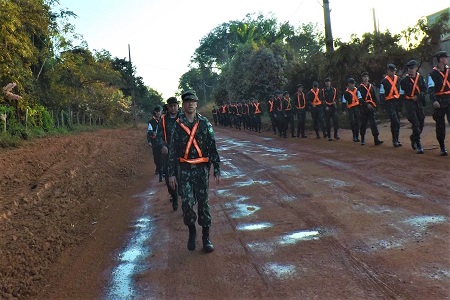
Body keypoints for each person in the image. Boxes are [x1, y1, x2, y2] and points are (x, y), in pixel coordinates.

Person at [168, 91, 221, 253]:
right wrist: (171, 173)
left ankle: (206, 237)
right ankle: (192, 230)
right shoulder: (177, 125)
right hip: (184, 170)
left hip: (201, 170)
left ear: (196, 104)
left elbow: (212, 146)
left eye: (193, 101)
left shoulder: (205, 123)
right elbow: (172, 151)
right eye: (187, 101)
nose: (190, 104)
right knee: (187, 204)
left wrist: (216, 167)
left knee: (203, 204)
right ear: (183, 105)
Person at [156, 97, 180, 211]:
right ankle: (174, 196)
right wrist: (162, 145)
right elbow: (158, 136)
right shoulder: (163, 120)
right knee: (168, 178)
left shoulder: (183, 117)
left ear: (178, 106)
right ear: (168, 107)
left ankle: (185, 198)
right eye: (171, 106)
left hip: (182, 153)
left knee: (184, 176)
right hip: (169, 153)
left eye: (175, 105)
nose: (173, 107)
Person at [400, 60, 427, 154]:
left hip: (418, 102)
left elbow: (424, 89)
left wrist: (418, 97)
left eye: (412, 68)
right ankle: (418, 143)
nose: (410, 70)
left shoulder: (420, 78)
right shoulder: (403, 81)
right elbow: (401, 94)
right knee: (415, 123)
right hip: (409, 104)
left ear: (416, 68)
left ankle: (413, 137)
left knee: (421, 122)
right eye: (409, 68)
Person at [428, 50, 449, 156]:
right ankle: (442, 146)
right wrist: (434, 100)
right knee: (440, 125)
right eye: (445, 57)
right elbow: (430, 90)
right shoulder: (432, 74)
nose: (447, 59)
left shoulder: (449, 71)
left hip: (449, 99)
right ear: (441, 59)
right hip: (439, 101)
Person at [358, 72, 383, 146]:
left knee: (373, 123)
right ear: (362, 78)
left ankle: (376, 139)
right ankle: (362, 138)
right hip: (364, 108)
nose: (365, 78)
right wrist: (366, 104)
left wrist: (375, 106)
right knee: (363, 124)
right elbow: (360, 99)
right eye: (364, 77)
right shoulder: (360, 88)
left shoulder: (371, 87)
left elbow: (374, 97)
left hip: (371, 108)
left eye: (367, 77)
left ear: (368, 78)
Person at [380, 64, 402, 147]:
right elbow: (381, 94)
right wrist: (383, 106)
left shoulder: (398, 79)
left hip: (397, 102)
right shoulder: (384, 81)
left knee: (397, 122)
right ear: (388, 71)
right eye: (391, 70)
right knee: (395, 120)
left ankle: (396, 138)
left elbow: (401, 91)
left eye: (394, 71)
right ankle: (394, 139)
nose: (393, 72)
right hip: (389, 103)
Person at [342, 78, 362, 142]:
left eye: (354, 83)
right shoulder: (346, 93)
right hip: (350, 109)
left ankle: (357, 135)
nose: (353, 85)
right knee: (352, 122)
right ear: (349, 84)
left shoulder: (357, 90)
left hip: (357, 108)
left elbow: (360, 98)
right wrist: (344, 110)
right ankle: (354, 136)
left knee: (358, 122)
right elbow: (344, 102)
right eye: (351, 83)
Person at [147, 105, 163, 180]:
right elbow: (149, 132)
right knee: (156, 158)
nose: (158, 113)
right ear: (155, 112)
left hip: (163, 142)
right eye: (157, 111)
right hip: (155, 142)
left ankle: (162, 171)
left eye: (159, 111)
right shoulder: (151, 122)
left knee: (163, 157)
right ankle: (158, 168)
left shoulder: (163, 120)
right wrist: (149, 141)